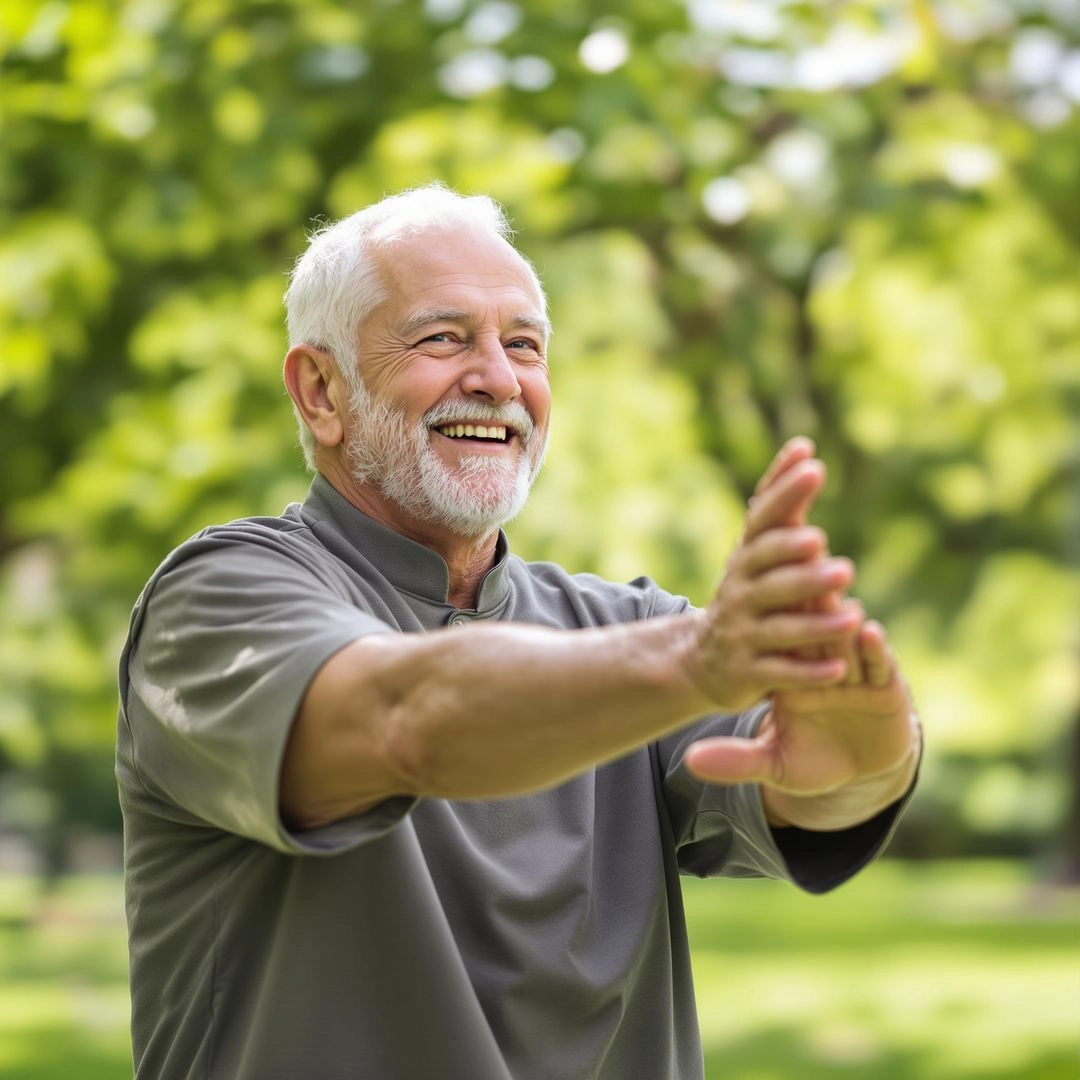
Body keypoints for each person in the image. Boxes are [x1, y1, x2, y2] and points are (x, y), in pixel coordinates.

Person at [117, 182, 921, 1080]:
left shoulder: (630, 629)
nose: (499, 379)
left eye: (525, 345)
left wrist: (867, 754)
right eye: (442, 338)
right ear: (320, 390)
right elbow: (404, 721)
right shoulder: (216, 599)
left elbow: (813, 789)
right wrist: (700, 664)